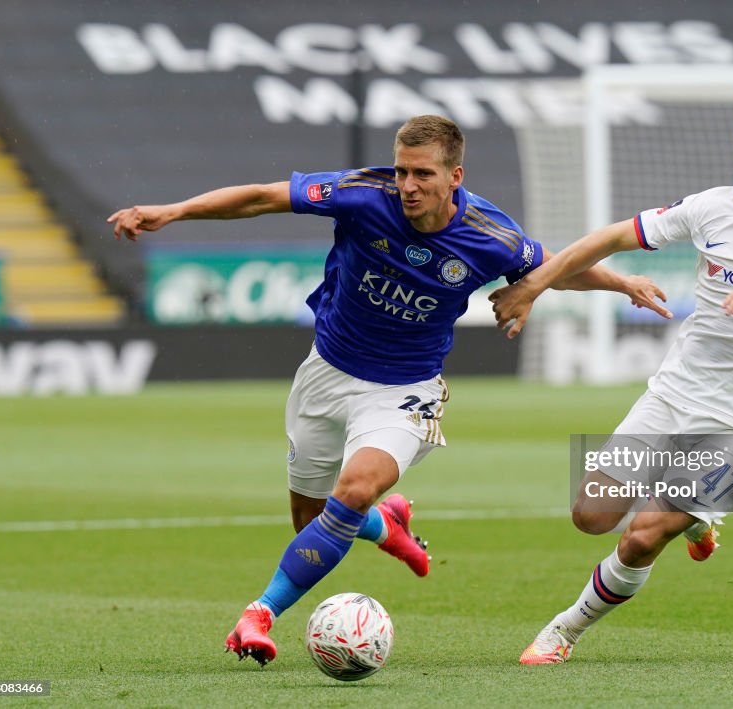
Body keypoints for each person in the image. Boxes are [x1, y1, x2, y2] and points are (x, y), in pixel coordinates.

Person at [107, 115, 671, 666]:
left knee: (353, 490)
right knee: (311, 519)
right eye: (402, 171)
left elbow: (555, 267)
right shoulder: (362, 194)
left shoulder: (489, 235)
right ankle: (385, 525)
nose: (407, 185)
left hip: (405, 389)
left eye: (423, 174)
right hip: (326, 373)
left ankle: (260, 614)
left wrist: (621, 282)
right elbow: (260, 198)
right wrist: (173, 211)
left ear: (455, 177)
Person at [489, 83, 733, 664]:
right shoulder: (709, 208)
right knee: (591, 515)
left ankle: (563, 632)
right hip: (674, 394)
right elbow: (611, 237)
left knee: (642, 534)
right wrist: (534, 286)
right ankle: (698, 524)